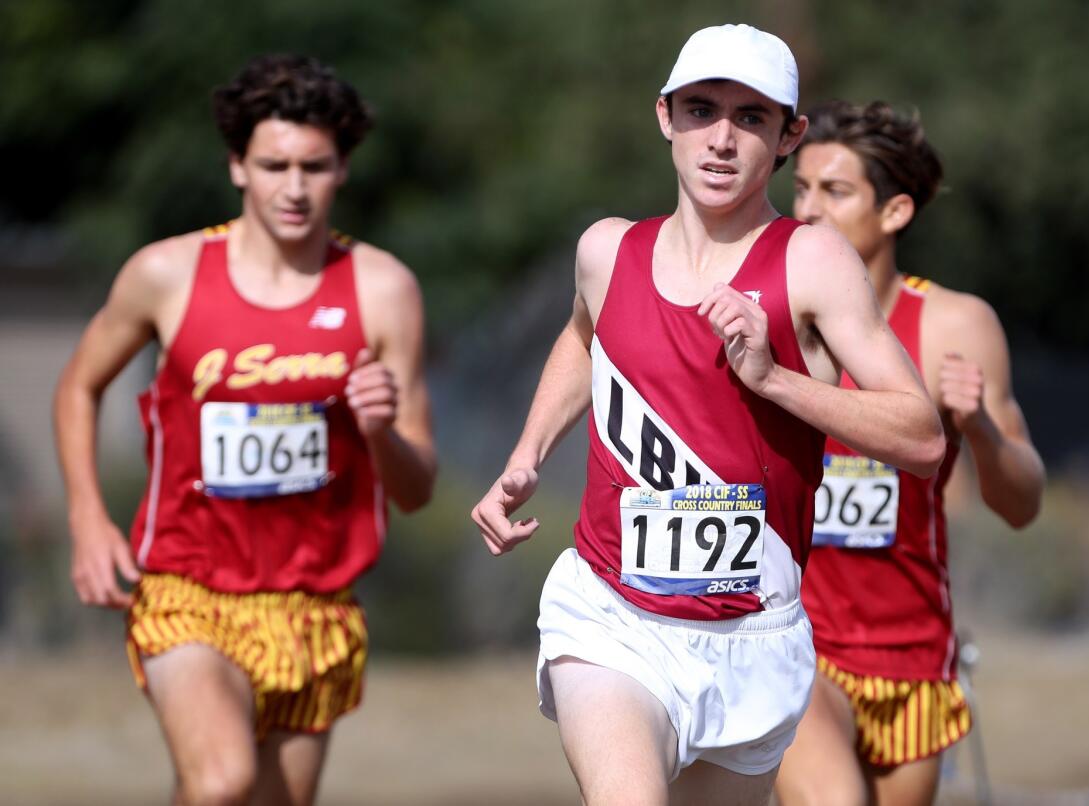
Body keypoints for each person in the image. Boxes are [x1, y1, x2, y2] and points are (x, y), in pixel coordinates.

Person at [471, 26, 944, 806]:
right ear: (664, 117)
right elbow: (584, 332)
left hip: (754, 635)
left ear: (789, 135)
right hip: (612, 616)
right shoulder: (607, 249)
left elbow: (921, 437)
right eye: (700, 110)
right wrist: (527, 456)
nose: (721, 139)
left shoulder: (813, 262)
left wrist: (776, 380)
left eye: (751, 118)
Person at [54, 54, 436, 806]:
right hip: (187, 587)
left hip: (313, 602)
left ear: (343, 170)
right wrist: (87, 520)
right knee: (219, 780)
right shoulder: (167, 274)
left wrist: (381, 430)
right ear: (237, 166)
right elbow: (78, 384)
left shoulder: (383, 288)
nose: (293, 188)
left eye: (314, 167)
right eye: (273, 165)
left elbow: (417, 488)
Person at [775, 100, 1045, 806]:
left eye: (834, 192)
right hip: (794, 641)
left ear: (895, 213)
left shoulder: (954, 325)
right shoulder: (765, 314)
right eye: (800, 188)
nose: (807, 211)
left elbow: (1022, 504)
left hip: (911, 657)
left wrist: (980, 429)